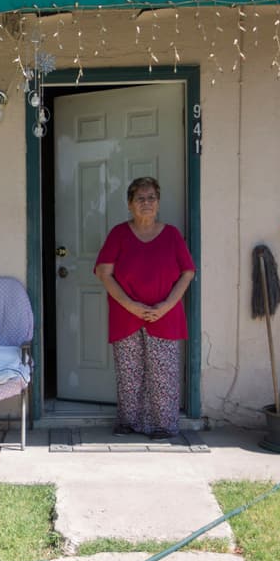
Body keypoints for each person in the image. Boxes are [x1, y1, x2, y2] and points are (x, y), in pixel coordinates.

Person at [94, 177, 196, 439]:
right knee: (129, 373)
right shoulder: (119, 233)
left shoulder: (172, 234)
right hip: (125, 315)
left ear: (159, 203)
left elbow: (187, 272)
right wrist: (132, 306)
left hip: (165, 315)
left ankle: (163, 426)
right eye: (140, 198)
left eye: (151, 198)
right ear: (130, 204)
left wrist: (165, 306)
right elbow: (104, 273)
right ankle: (128, 423)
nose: (147, 203)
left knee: (163, 374)